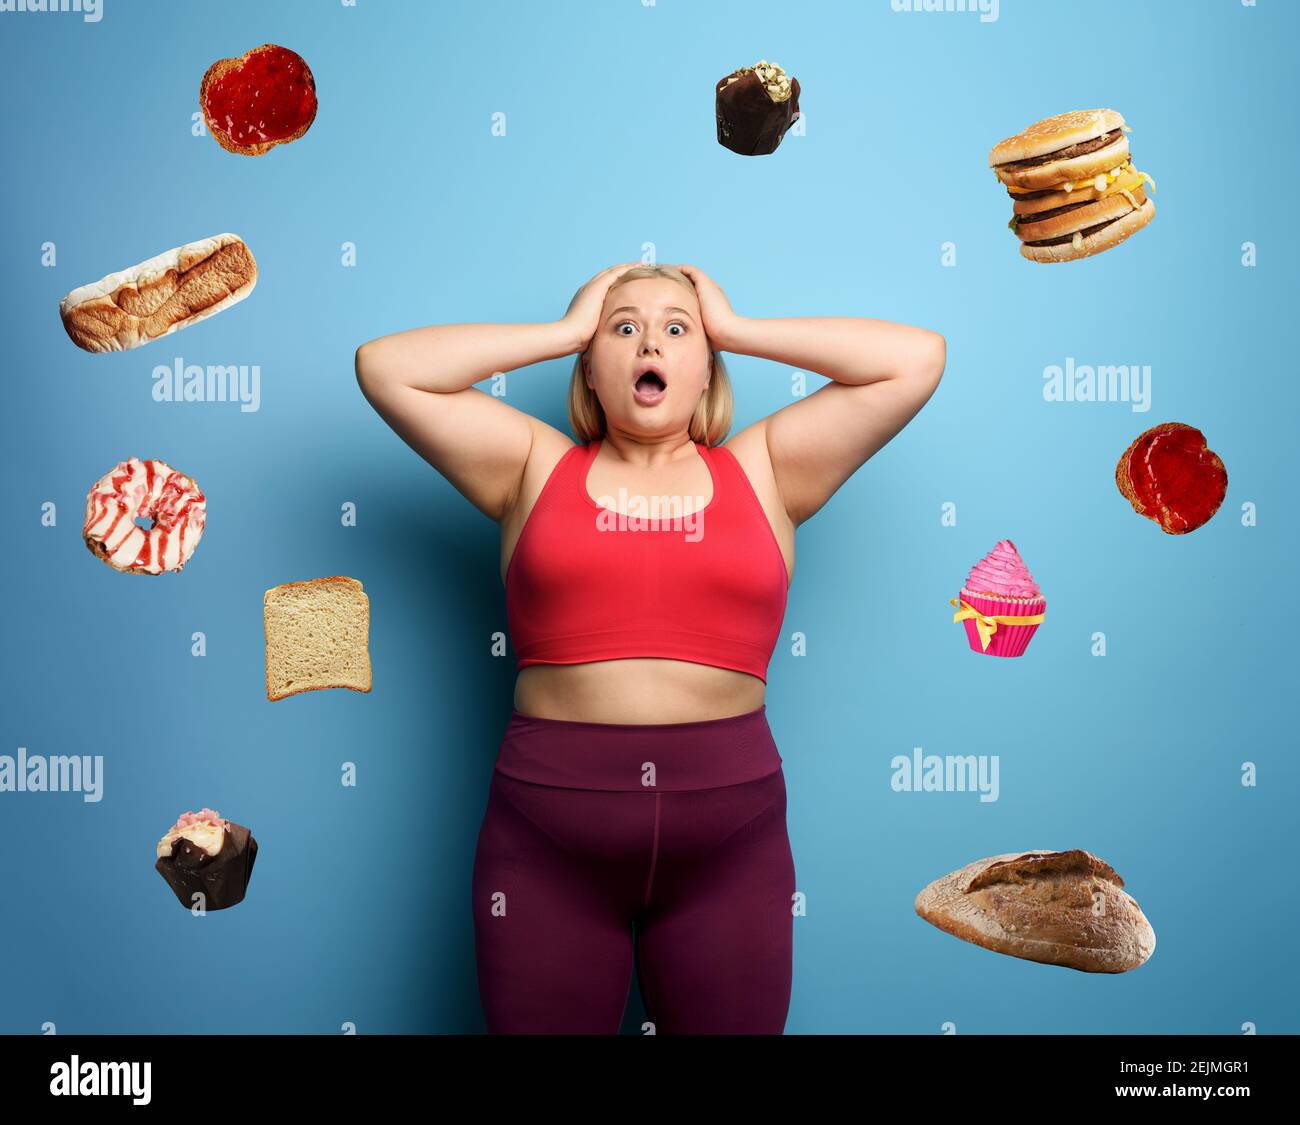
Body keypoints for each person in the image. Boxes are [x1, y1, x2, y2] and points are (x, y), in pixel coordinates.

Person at [355, 262, 946, 1033]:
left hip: (730, 846)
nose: (648, 342)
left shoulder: (767, 468)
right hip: (545, 843)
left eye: (677, 329)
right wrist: (562, 328)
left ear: (705, 371)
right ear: (592, 373)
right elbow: (385, 368)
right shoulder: (530, 464)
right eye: (622, 327)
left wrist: (738, 328)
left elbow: (917, 359)